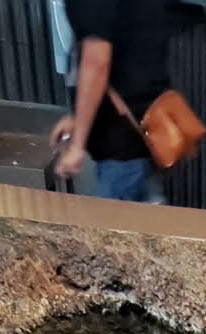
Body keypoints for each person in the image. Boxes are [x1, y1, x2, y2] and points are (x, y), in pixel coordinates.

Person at [52, 0, 181, 205]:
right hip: (144, 131)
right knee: (147, 213)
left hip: (122, 144)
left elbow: (97, 63)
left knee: (117, 220)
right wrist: (76, 116)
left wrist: (77, 146)